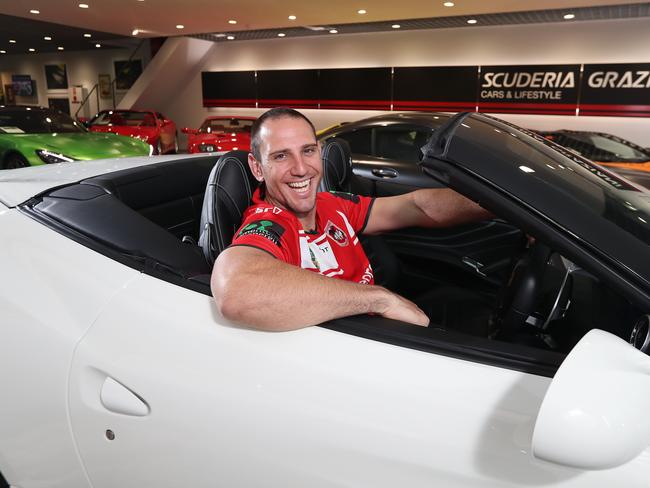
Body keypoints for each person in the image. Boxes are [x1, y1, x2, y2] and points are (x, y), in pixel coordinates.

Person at [211, 108, 492, 331]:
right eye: (281, 156)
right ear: (257, 168)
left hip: (372, 328)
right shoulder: (269, 223)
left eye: (308, 151)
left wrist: (495, 205)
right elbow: (237, 290)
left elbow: (417, 207)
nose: (300, 169)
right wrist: (380, 299)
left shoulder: (331, 204)